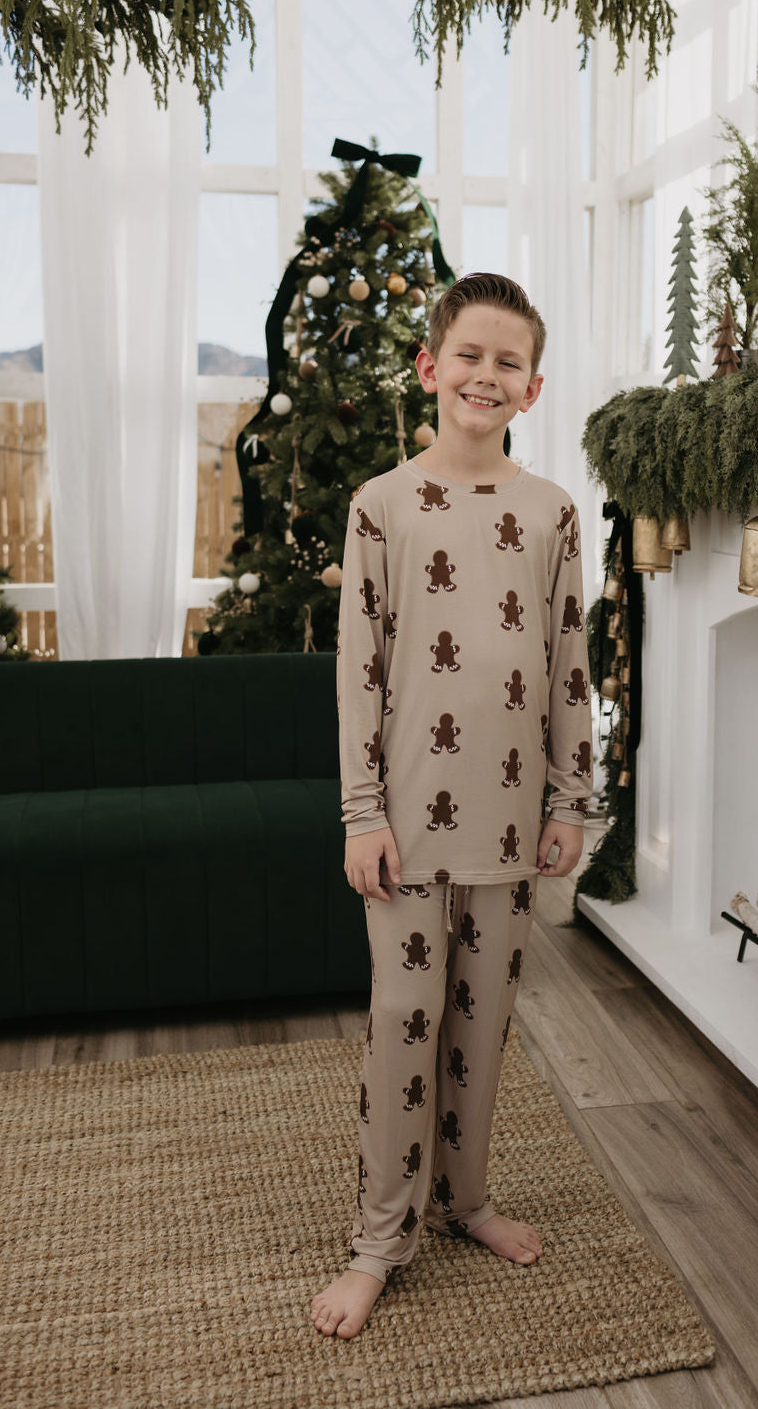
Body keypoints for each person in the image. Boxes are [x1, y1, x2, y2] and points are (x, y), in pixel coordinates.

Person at [311, 272, 594, 1339]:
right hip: (408, 822)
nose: (485, 374)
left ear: (531, 388)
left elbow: (568, 662)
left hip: (515, 821)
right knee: (404, 1021)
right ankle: (380, 1239)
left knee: (485, 1019)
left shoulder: (553, 512)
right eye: (467, 355)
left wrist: (573, 796)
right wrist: (360, 811)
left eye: (507, 361)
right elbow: (358, 673)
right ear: (431, 369)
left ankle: (465, 1197)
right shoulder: (380, 505)